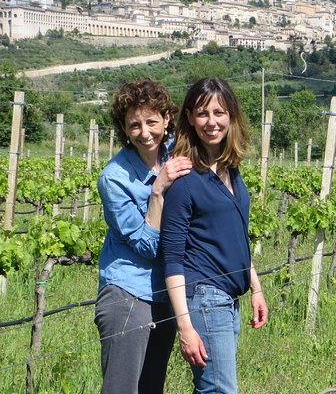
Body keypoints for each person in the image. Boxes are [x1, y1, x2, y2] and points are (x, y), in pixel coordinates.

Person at [160, 77, 268, 394]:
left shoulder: (229, 168)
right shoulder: (185, 177)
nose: (212, 122)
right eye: (203, 114)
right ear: (190, 119)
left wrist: (256, 287)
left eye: (219, 113)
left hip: (228, 297)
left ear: (231, 117)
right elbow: (173, 258)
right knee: (219, 390)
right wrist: (184, 326)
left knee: (213, 389)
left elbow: (234, 236)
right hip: (204, 297)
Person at [95, 77, 192, 394]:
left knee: (152, 388)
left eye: (151, 121)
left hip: (165, 295)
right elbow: (147, 245)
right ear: (123, 128)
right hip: (128, 295)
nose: (144, 132)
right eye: (134, 125)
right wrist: (158, 191)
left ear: (166, 118)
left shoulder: (176, 151)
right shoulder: (114, 178)